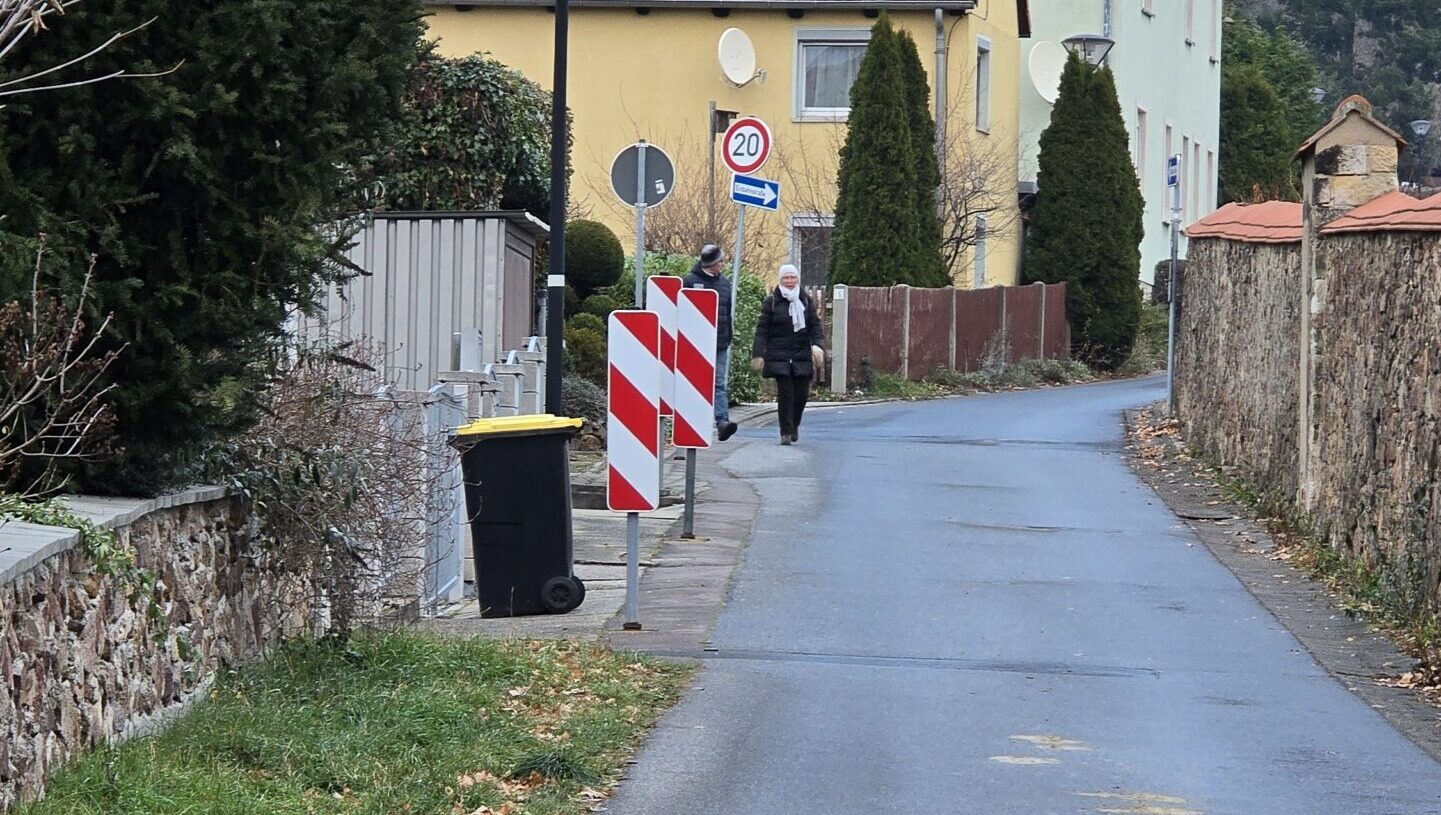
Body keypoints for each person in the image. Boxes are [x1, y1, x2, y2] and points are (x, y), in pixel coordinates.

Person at [751, 264, 824, 446]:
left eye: (793, 277)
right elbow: (762, 330)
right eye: (786, 278)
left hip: (801, 354)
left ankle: (795, 424)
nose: (790, 281)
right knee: (786, 393)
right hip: (779, 354)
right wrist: (758, 354)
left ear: (797, 279)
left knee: (802, 394)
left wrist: (818, 346)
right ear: (781, 280)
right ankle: (785, 431)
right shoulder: (772, 302)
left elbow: (815, 327)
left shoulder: (805, 301)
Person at [683, 244, 738, 441]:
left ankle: (722, 421)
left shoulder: (724, 283)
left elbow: (727, 313)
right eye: (720, 261)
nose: (723, 264)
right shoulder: (690, 282)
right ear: (711, 263)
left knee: (719, 383)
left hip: (719, 342)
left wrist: (728, 337)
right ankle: (692, 420)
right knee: (695, 382)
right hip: (695, 344)